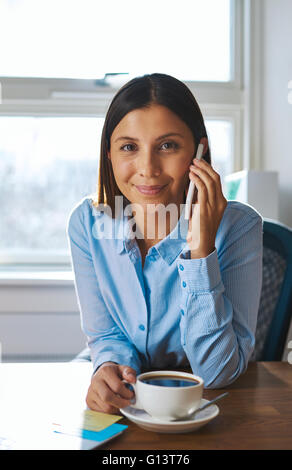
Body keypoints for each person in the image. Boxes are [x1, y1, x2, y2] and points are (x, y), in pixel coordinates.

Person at [67, 73, 263, 414]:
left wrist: (201, 249)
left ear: (198, 152)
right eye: (129, 147)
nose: (148, 168)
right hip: (132, 407)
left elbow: (216, 373)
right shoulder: (87, 224)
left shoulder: (239, 227)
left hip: (205, 414)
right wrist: (111, 368)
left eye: (167, 146)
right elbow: (107, 335)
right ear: (109, 156)